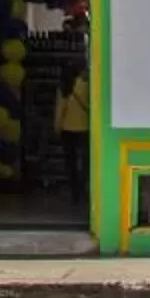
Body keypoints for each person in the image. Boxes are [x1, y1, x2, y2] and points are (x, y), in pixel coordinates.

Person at [56, 69, 90, 205]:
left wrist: (57, 127)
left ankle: (74, 191)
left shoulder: (64, 86)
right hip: (85, 128)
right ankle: (83, 187)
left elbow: (60, 110)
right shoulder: (88, 85)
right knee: (85, 161)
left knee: (70, 162)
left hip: (67, 129)